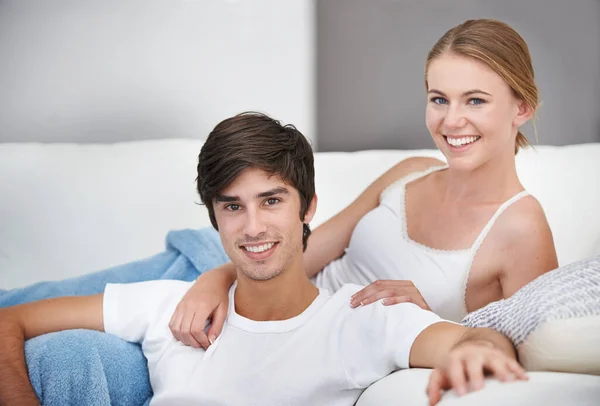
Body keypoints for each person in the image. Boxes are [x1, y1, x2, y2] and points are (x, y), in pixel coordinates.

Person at [0, 112, 527, 406]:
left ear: (308, 208)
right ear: (215, 219)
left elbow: (481, 339)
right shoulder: (176, 307)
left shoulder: (362, 318)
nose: (252, 227)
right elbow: (11, 320)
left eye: (272, 201)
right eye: (233, 206)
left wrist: (475, 348)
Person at [169, 18, 558, 350]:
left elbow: (524, 353)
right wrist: (214, 279)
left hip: (316, 337)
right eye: (439, 99)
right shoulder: (411, 171)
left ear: (521, 107)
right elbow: (303, 251)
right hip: (248, 282)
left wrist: (425, 321)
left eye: (475, 101)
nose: (451, 121)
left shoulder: (521, 227)